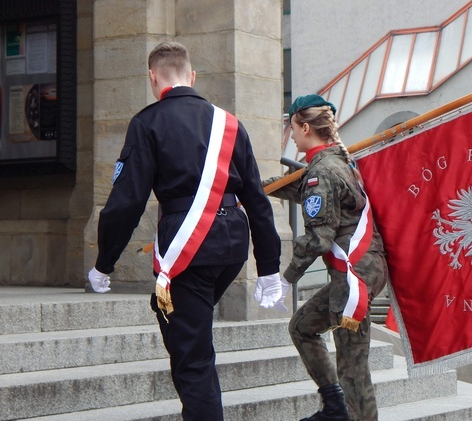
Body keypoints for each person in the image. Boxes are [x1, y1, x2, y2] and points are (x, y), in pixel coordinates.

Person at [87, 41, 284, 420]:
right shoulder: (230, 123)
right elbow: (258, 200)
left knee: (192, 356)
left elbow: (126, 202)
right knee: (178, 324)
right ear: (191, 76)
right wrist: (270, 266)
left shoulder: (148, 122)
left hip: (189, 245)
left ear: (152, 77)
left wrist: (104, 262)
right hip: (231, 246)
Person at [265, 94, 389, 421]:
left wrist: (285, 279)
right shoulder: (335, 161)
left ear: (305, 127)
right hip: (363, 270)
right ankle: (335, 406)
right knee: (303, 326)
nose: (290, 135)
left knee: (352, 367)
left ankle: (352, 414)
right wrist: (251, 187)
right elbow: (301, 189)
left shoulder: (323, 171)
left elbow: (319, 238)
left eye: (291, 127)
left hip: (353, 279)